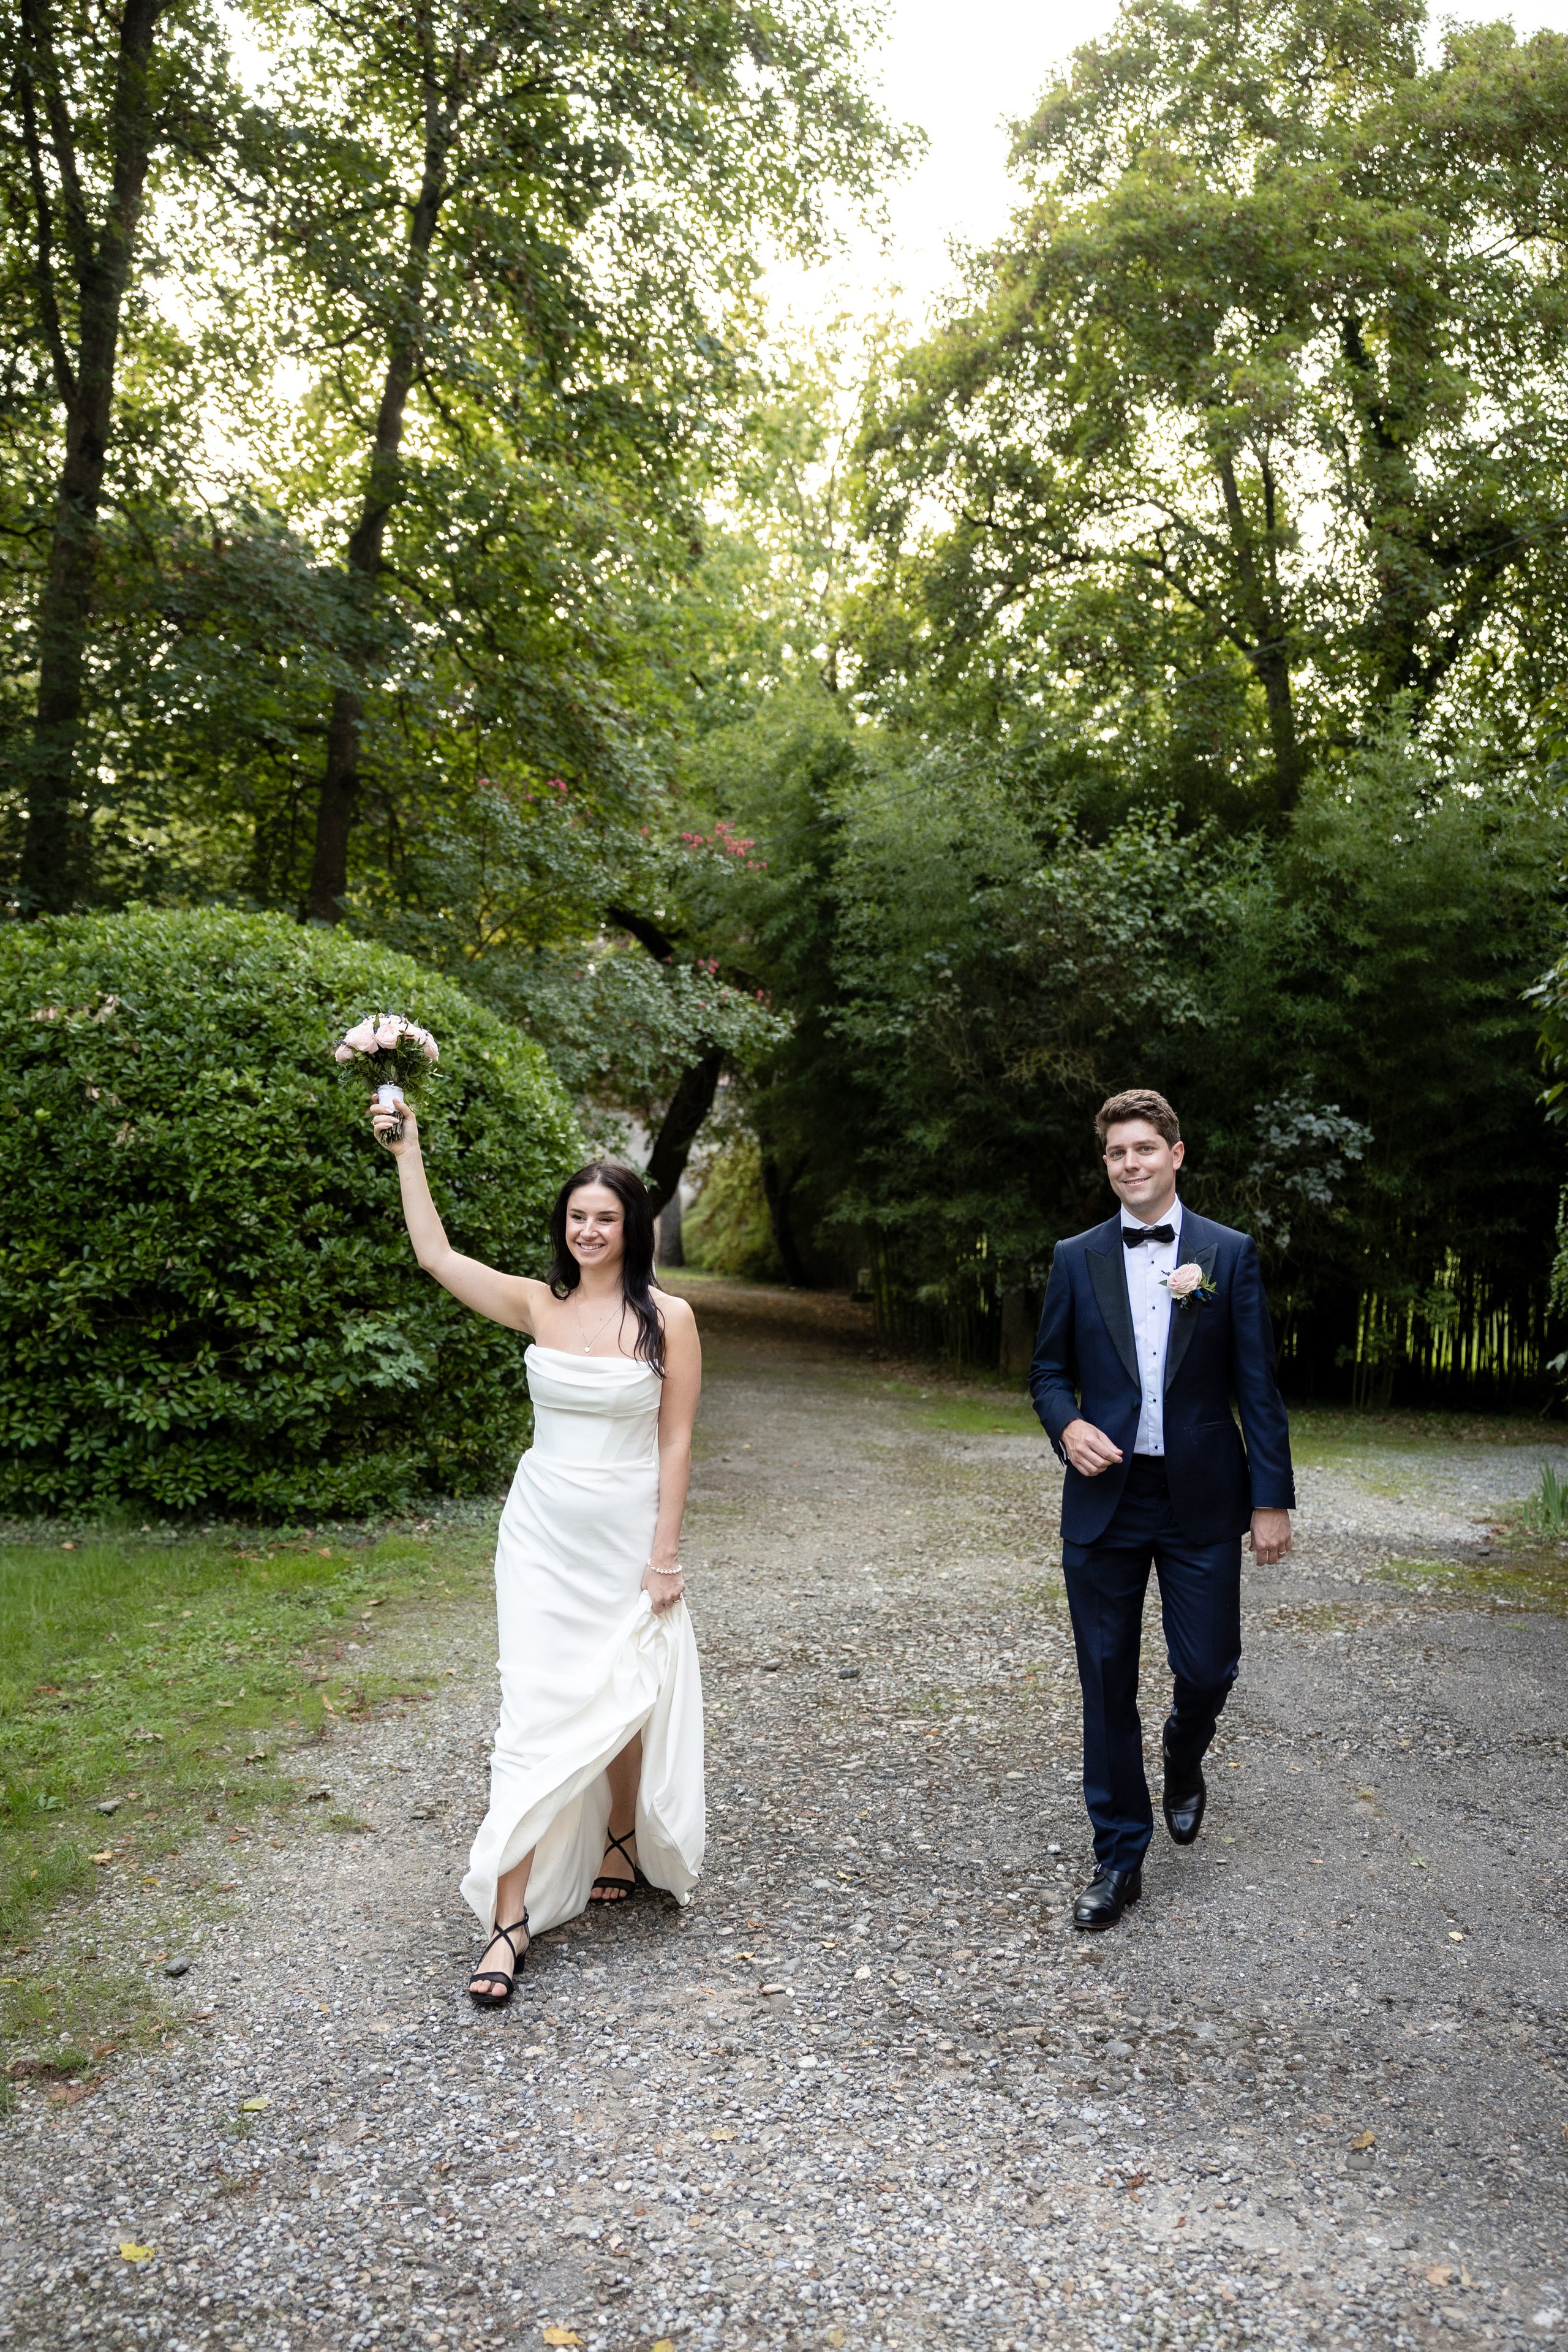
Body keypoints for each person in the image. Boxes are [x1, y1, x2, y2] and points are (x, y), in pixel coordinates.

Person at [371, 1095, 705, 2005]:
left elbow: (676, 1440)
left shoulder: (669, 1318)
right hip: (543, 1533)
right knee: (531, 1712)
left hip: (628, 1529)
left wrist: (665, 1553)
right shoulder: (537, 1303)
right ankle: (509, 1919)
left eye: (605, 1217)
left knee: (626, 1692)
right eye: (577, 1217)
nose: (589, 1229)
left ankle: (621, 1839)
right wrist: (410, 1152)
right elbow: (435, 1256)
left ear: (633, 1228)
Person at [1028, 1088, 1294, 1929]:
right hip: (1106, 1500)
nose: (1130, 1164)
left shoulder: (1228, 1254)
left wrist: (1271, 1500)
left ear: (1176, 1154)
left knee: (1209, 1667)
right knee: (1105, 1683)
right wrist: (1067, 1425)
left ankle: (1185, 1758)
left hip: (1202, 1500)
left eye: (1144, 1149)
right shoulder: (1076, 1257)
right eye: (1116, 1154)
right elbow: (1045, 1373)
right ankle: (1119, 1856)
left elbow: (1258, 1385)